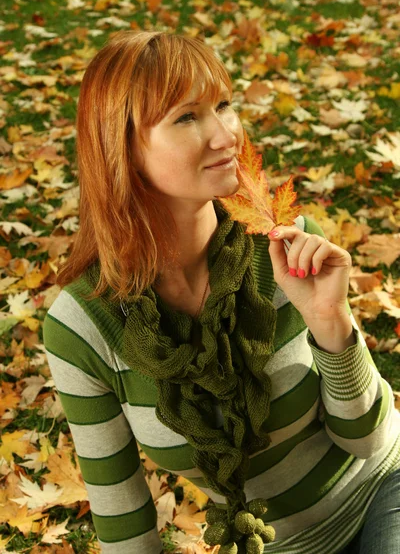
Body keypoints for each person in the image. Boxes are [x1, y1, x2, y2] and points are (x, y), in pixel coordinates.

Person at [43, 31, 400, 554]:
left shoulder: (284, 249)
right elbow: (121, 515)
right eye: (186, 117)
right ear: (118, 147)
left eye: (224, 106)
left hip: (382, 497)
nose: (225, 134)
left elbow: (368, 442)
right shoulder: (83, 326)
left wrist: (331, 322)